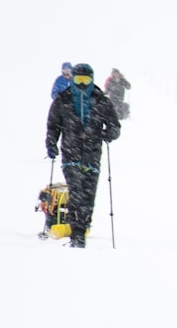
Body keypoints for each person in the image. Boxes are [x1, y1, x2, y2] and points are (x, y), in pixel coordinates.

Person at [45, 63, 121, 248]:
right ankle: (77, 234)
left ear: (91, 80)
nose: (81, 84)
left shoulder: (101, 100)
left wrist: (108, 133)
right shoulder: (63, 100)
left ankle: (82, 228)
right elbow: (53, 125)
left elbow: (114, 126)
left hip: (92, 156)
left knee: (88, 196)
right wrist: (51, 144)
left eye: (85, 80)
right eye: (78, 79)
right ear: (72, 80)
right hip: (70, 155)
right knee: (77, 193)